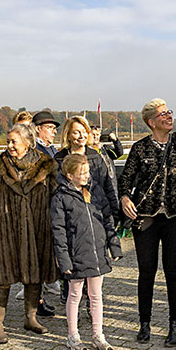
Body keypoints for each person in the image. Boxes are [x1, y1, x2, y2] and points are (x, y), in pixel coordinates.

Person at [119, 98, 176, 347]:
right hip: (146, 219)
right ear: (151, 122)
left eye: (169, 112)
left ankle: (174, 325)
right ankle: (145, 324)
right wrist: (125, 197)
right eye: (162, 114)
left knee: (173, 273)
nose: (169, 116)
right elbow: (125, 179)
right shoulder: (140, 149)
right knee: (146, 272)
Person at [0, 124, 59, 343]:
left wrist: (56, 227)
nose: (9, 145)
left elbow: (55, 196)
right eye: (8, 141)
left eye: (14, 141)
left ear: (28, 142)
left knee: (34, 275)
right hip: (6, 228)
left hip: (37, 227)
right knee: (3, 278)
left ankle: (30, 318)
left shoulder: (46, 164)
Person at [51, 154, 122, 350]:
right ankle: (73, 335)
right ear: (69, 175)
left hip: (97, 252)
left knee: (96, 295)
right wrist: (64, 260)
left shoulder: (95, 191)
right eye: (81, 173)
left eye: (87, 172)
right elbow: (59, 231)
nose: (85, 176)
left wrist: (114, 245)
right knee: (74, 294)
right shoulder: (60, 198)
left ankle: (98, 335)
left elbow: (106, 219)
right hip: (76, 255)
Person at [55, 116, 119, 306]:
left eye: (84, 131)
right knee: (73, 273)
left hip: (95, 217)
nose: (81, 135)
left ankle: (93, 308)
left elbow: (108, 186)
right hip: (71, 219)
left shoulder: (96, 156)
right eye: (76, 131)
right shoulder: (59, 159)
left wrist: (114, 213)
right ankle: (71, 308)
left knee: (95, 268)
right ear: (68, 134)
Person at [11, 110, 60, 313]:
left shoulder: (52, 150)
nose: (54, 132)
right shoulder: (33, 151)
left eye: (54, 129)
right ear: (38, 129)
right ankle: (35, 303)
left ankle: (39, 299)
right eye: (50, 128)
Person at [90, 125, 123, 198]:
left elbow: (119, 153)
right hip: (96, 186)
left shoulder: (105, 149)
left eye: (97, 134)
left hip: (110, 184)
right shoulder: (87, 152)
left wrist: (115, 141)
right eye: (93, 134)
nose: (95, 137)